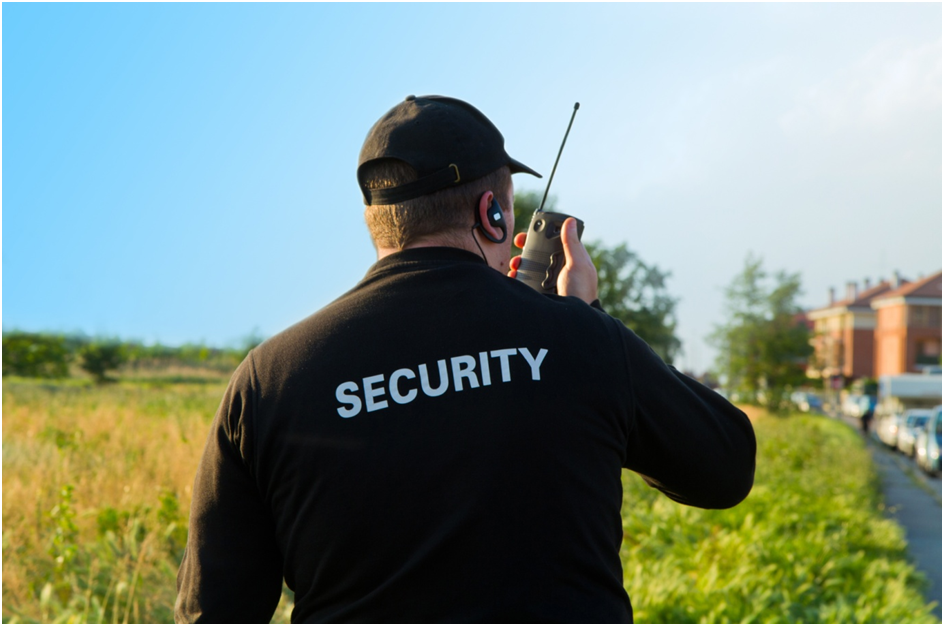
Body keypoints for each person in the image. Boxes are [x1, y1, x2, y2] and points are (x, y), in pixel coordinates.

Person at [175, 95, 756, 624]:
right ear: (493, 214)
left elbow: (211, 613)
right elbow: (726, 465)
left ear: (374, 221)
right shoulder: (583, 339)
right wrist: (587, 316)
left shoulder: (269, 378)